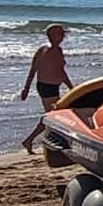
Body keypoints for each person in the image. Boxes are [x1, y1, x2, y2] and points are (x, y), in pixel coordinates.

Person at [18, 25, 74, 153]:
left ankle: (48, 140)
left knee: (54, 114)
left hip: (42, 86)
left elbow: (33, 70)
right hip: (50, 88)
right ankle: (30, 140)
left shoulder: (41, 49)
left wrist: (26, 88)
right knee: (54, 116)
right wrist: (71, 87)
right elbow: (61, 72)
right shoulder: (56, 51)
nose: (63, 37)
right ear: (53, 36)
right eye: (60, 35)